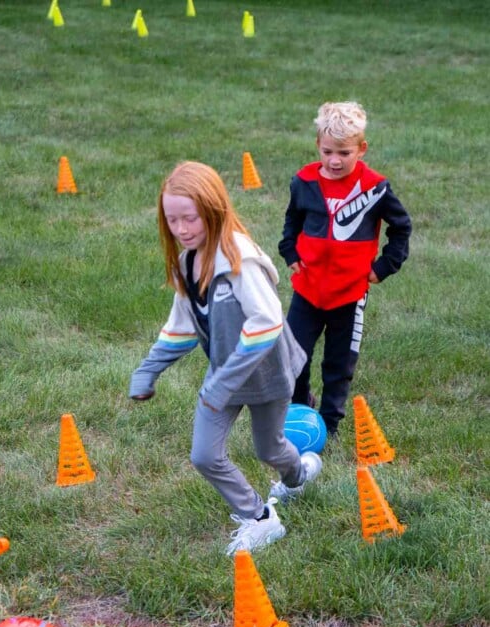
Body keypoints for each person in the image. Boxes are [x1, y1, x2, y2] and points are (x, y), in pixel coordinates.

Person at [129, 161, 322, 556]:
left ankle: (297, 475)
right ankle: (260, 518)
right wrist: (148, 371)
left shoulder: (240, 260)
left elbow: (266, 324)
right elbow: (181, 326)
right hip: (224, 380)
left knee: (269, 449)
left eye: (190, 219)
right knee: (204, 455)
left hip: (268, 376)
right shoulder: (187, 262)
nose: (181, 230)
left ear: (213, 210)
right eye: (172, 220)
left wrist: (222, 381)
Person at [279, 101, 412, 436]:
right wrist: (289, 249)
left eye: (344, 152)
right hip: (307, 290)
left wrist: (384, 266)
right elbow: (292, 219)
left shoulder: (375, 188)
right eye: (327, 151)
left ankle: (330, 425)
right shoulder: (304, 181)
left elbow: (401, 227)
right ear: (317, 146)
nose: (334, 160)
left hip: (349, 295)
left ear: (361, 149)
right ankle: (299, 410)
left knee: (338, 365)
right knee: (293, 359)